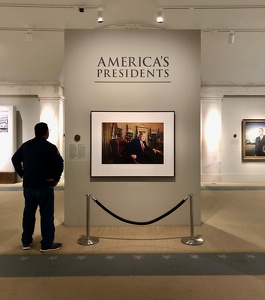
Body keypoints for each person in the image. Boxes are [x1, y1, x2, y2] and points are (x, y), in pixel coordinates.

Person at [11, 122, 64, 252]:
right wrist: (56, 178)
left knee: (28, 213)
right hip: (45, 185)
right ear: (46, 132)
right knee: (46, 214)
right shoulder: (49, 147)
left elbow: (14, 159)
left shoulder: (26, 146)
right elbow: (59, 162)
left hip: (29, 186)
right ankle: (46, 243)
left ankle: (26, 241)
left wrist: (22, 174)